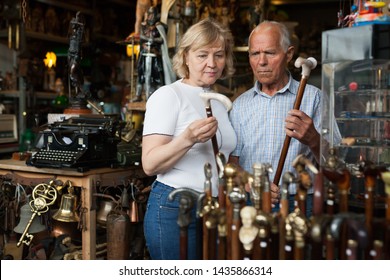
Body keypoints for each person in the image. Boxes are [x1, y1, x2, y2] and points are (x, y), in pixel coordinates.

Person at [141, 18, 236, 260]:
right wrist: (187, 138)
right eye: (202, 55)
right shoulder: (168, 96)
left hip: (214, 207)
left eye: (219, 55)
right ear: (185, 56)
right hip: (175, 207)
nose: (212, 63)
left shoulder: (219, 100)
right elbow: (150, 164)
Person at [229, 21, 342, 217]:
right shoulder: (240, 104)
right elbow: (232, 163)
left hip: (300, 201)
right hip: (252, 202)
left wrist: (313, 139)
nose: (261, 62)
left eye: (270, 53)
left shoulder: (313, 98)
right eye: (255, 54)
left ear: (289, 54)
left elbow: (338, 165)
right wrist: (252, 184)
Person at [132, 5, 175, 102]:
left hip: (155, 55)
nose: (151, 17)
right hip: (144, 54)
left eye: (153, 14)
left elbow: (162, 39)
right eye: (150, 14)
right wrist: (148, 39)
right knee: (141, 74)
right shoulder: (143, 25)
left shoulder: (160, 26)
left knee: (158, 75)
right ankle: (138, 95)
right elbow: (142, 37)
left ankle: (160, 96)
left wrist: (154, 39)